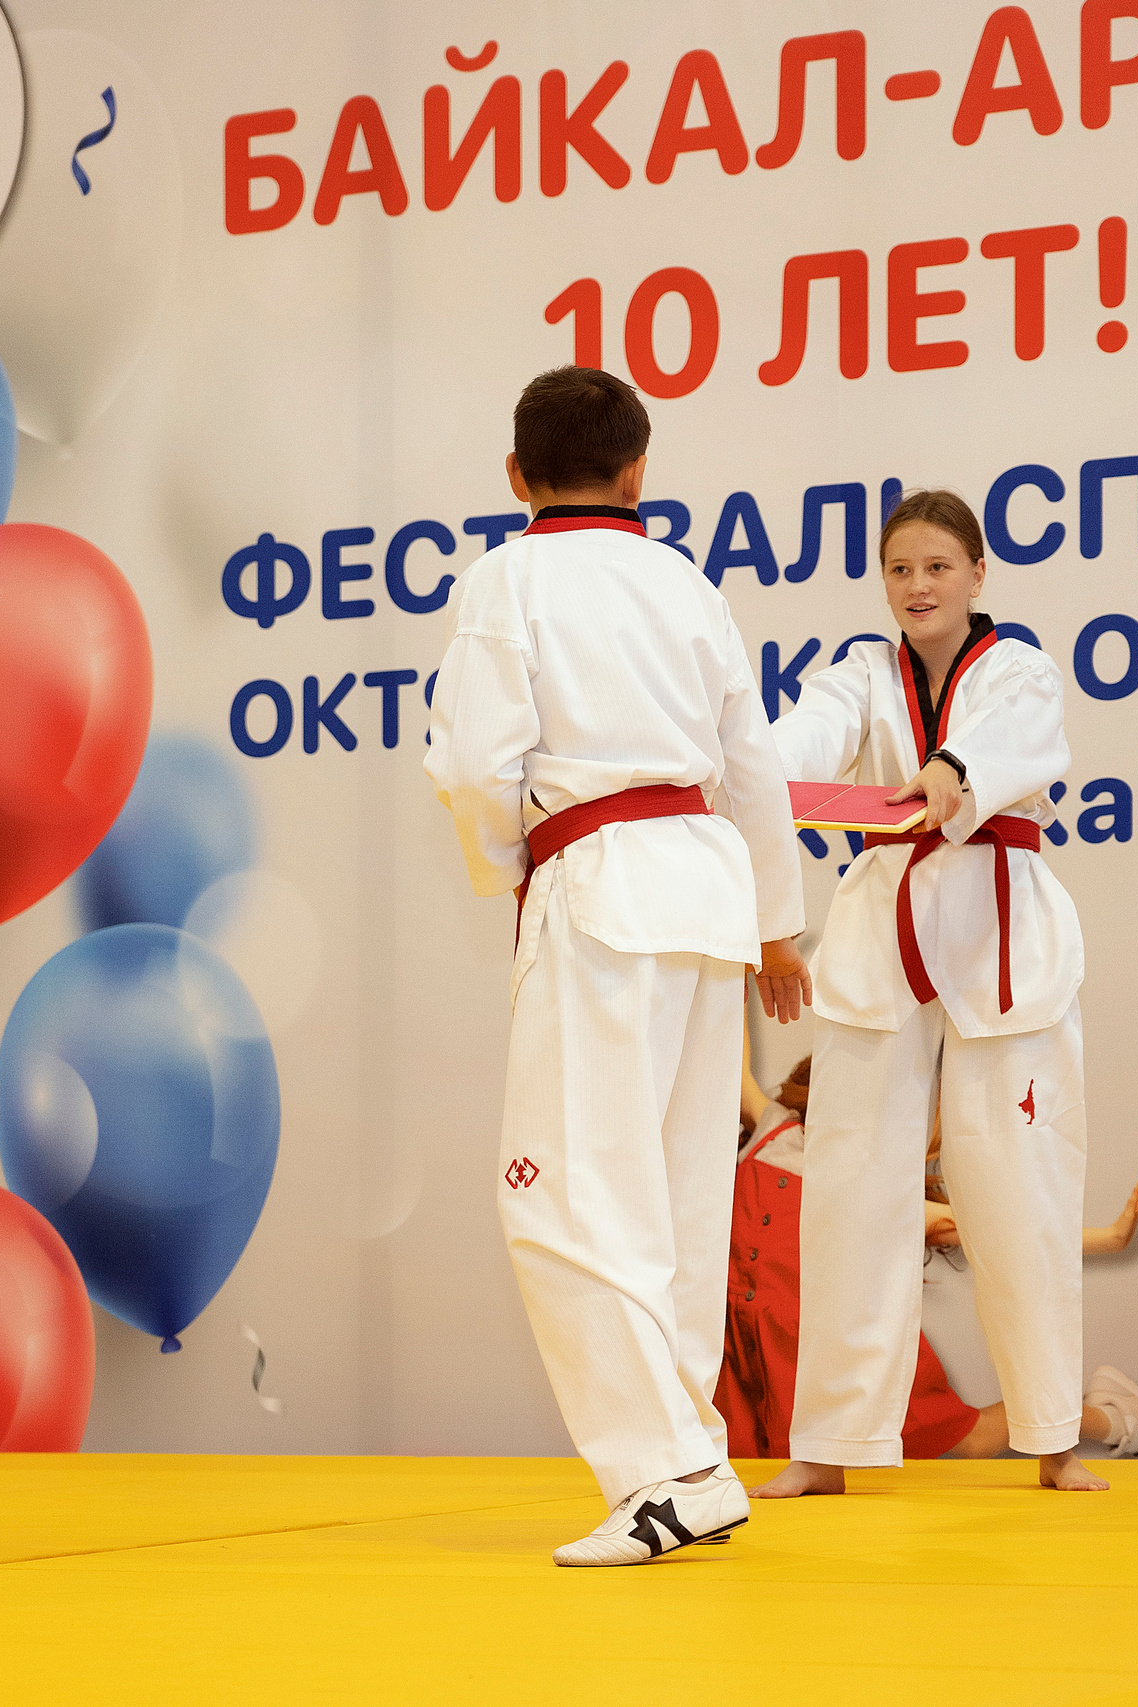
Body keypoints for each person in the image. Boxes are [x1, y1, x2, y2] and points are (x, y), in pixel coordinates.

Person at [424, 366, 811, 1568]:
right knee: (675, 1198)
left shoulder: (507, 578)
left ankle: (669, 1472)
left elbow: (473, 766)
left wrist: (508, 873)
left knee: (559, 1198)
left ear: (513, 477)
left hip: (597, 890)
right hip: (704, 889)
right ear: (637, 470)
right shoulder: (689, 582)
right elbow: (749, 763)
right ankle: (690, 1453)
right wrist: (776, 925)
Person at [756, 487, 1105, 1498]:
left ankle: (1051, 1433)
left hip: (1003, 933)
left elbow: (1018, 745)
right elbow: (804, 744)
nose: (917, 585)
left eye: (937, 566)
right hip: (882, 932)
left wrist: (953, 769)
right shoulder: (859, 675)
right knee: (852, 1192)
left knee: (1020, 1183)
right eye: (900, 568)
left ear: (976, 572)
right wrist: (749, 772)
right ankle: (828, 1444)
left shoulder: (1021, 670)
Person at [719, 1053, 1138, 1463]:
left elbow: (997, 1234)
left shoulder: (879, 1190)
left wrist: (1108, 1238)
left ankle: (1115, 1419)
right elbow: (731, 1057)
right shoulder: (773, 1131)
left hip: (820, 1345)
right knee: (752, 1457)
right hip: (738, 1344)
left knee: (967, 1439)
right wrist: (743, 956)